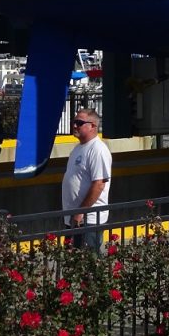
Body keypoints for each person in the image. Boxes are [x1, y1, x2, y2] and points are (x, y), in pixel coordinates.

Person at [61, 107, 111, 251]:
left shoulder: (97, 149)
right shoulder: (78, 148)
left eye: (79, 122)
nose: (74, 125)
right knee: (73, 260)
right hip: (73, 218)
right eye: (74, 122)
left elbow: (99, 184)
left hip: (88, 220)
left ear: (93, 126)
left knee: (88, 260)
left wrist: (80, 212)